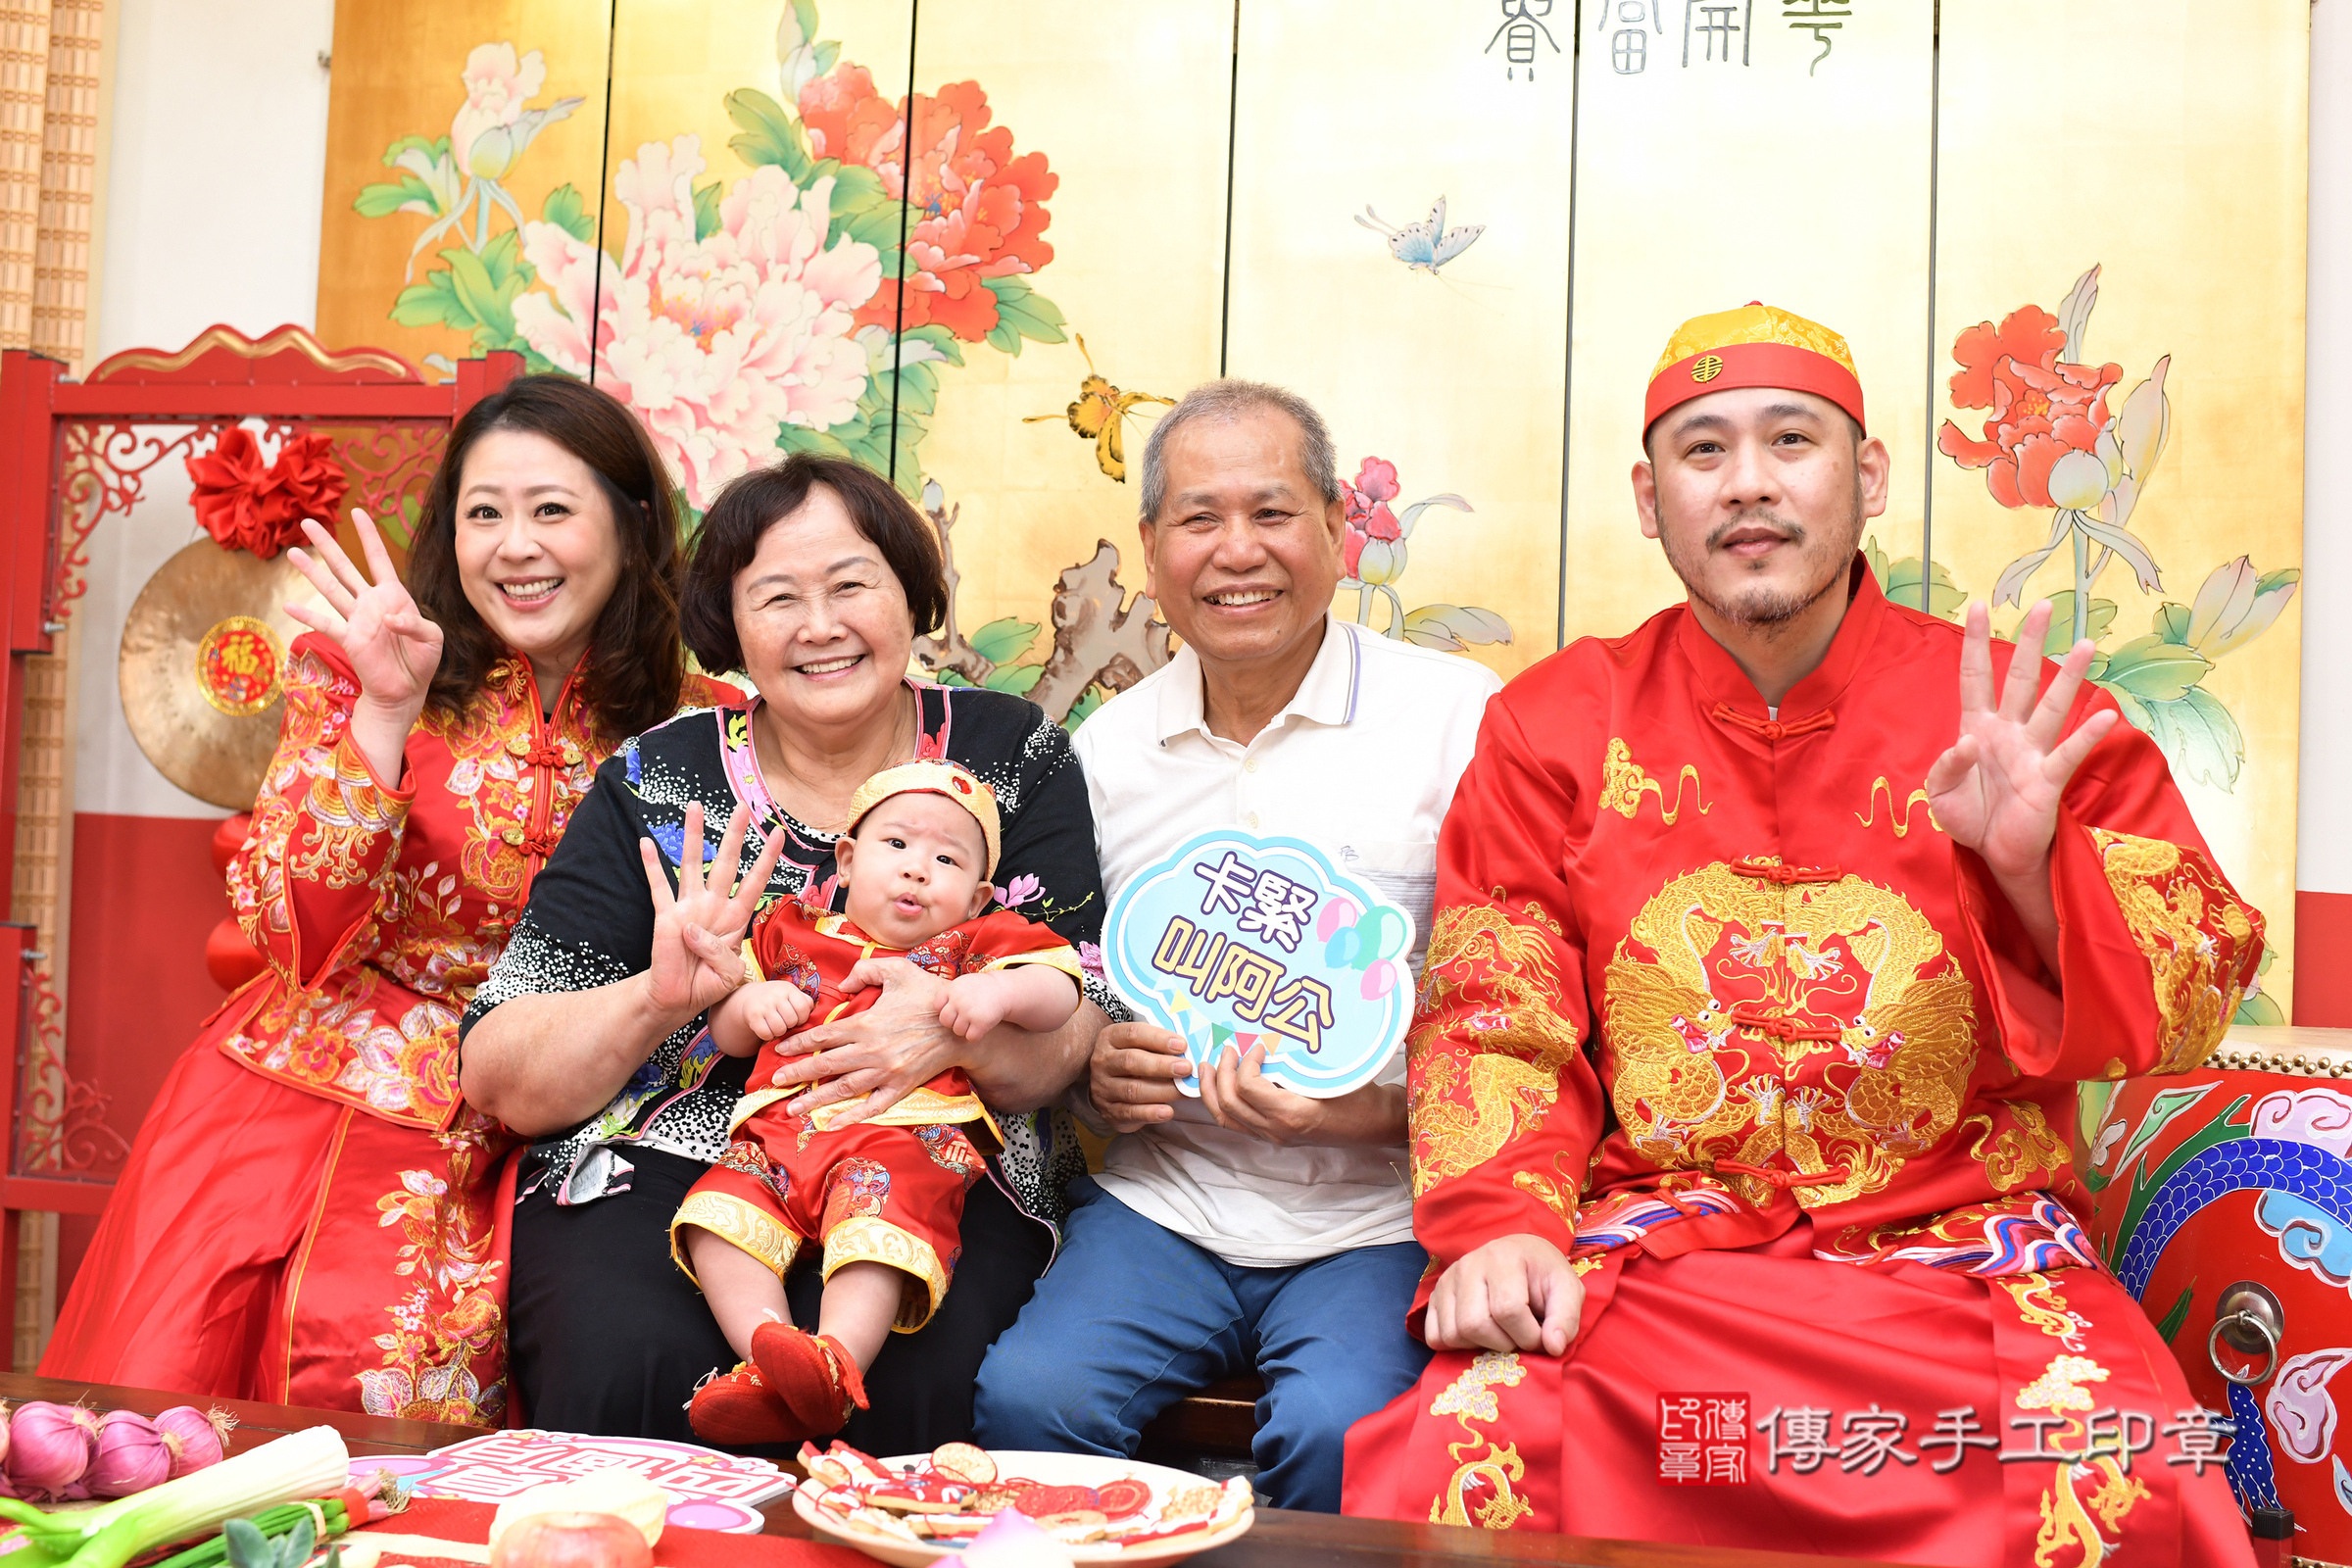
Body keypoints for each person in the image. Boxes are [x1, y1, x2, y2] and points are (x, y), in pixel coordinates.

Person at [1341, 304, 2261, 1566]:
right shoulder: (1558, 723)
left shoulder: (2026, 716)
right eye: (1703, 450)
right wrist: (1499, 1221)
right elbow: (1496, 1008)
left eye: (1791, 440)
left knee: (2122, 1471)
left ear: (1867, 477)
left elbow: (2192, 992)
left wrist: (2033, 867)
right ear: (1650, 499)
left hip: (1968, 1252)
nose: (1749, 484)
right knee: (1474, 1439)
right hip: (1663, 1250)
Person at [42, 375, 727, 1420]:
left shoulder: (704, 726)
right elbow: (291, 930)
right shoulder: (364, 670)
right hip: (321, 1097)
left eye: (551, 509)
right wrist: (384, 714)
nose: (515, 547)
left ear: (632, 525)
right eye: (483, 513)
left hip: (586, 1094)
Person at [459, 454, 1111, 1447]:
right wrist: (658, 999)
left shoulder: (1009, 753)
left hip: (936, 1144)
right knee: (622, 1347)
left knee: (926, 1364)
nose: (819, 626)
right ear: (729, 624)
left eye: (851, 584)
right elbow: (498, 1074)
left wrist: (947, 1033)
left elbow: (1076, 1025)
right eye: (777, 598)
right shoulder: (659, 777)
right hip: (685, 1147)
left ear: (911, 594)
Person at [973, 380, 1502, 1513]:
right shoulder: (1103, 755)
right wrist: (1102, 1067)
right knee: (1030, 1401)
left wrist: (1362, 1108)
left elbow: (1522, 1008)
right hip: (1169, 1201)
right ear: (1152, 548)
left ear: (1338, 528)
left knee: (1340, 1433)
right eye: (1200, 518)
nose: (1238, 551)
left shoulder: (1458, 718)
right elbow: (1077, 990)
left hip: (1379, 1214)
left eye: (1272, 512)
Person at [675, 760, 1083, 1444]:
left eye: (946, 859)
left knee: (877, 1233)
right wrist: (751, 1004)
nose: (917, 869)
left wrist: (998, 992)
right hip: (779, 1136)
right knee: (716, 1219)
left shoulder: (973, 945)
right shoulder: (789, 929)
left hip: (900, 1138)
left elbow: (1060, 991)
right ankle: (768, 1361)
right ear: (846, 860)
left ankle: (836, 1364)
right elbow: (727, 1030)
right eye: (896, 844)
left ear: (979, 896)